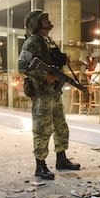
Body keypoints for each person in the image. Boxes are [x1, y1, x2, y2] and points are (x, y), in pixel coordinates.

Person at [18, 9, 80, 180]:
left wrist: (62, 60)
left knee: (60, 126)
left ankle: (61, 159)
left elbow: (51, 61)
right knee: (42, 130)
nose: (48, 20)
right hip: (41, 93)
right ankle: (40, 166)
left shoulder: (48, 41)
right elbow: (22, 65)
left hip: (54, 93)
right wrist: (45, 76)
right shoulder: (32, 42)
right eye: (44, 19)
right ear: (35, 23)